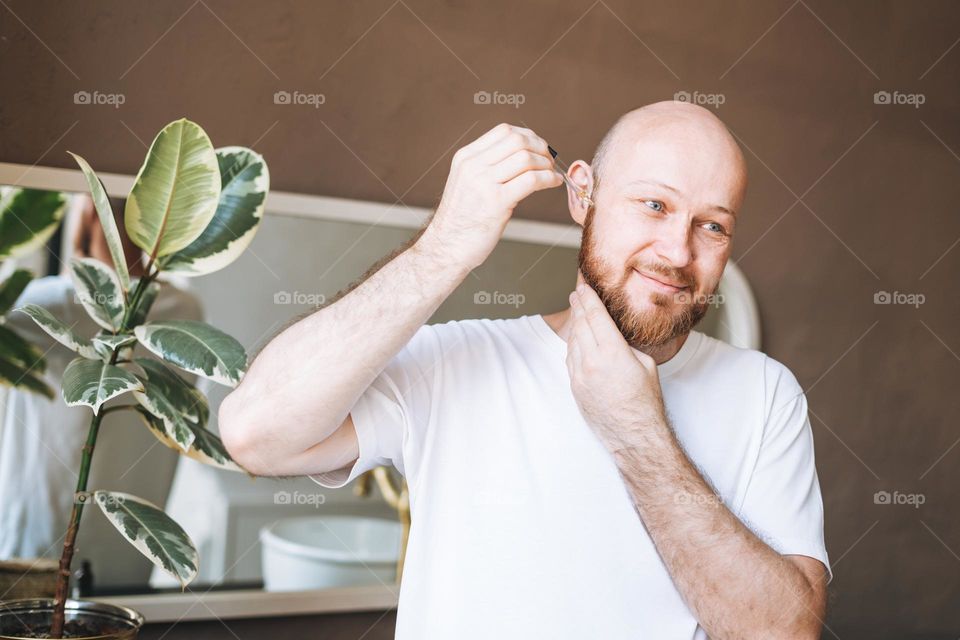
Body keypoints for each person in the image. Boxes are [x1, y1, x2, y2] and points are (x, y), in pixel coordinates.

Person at [219, 101, 830, 639]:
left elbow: (781, 634)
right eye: (653, 205)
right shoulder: (460, 361)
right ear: (581, 193)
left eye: (712, 226)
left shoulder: (766, 395)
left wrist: (636, 430)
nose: (677, 251)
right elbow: (256, 434)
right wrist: (446, 244)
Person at [0, 193, 202, 589]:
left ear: (89, 213)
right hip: (133, 530)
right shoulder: (186, 311)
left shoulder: (51, 303)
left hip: (37, 522)